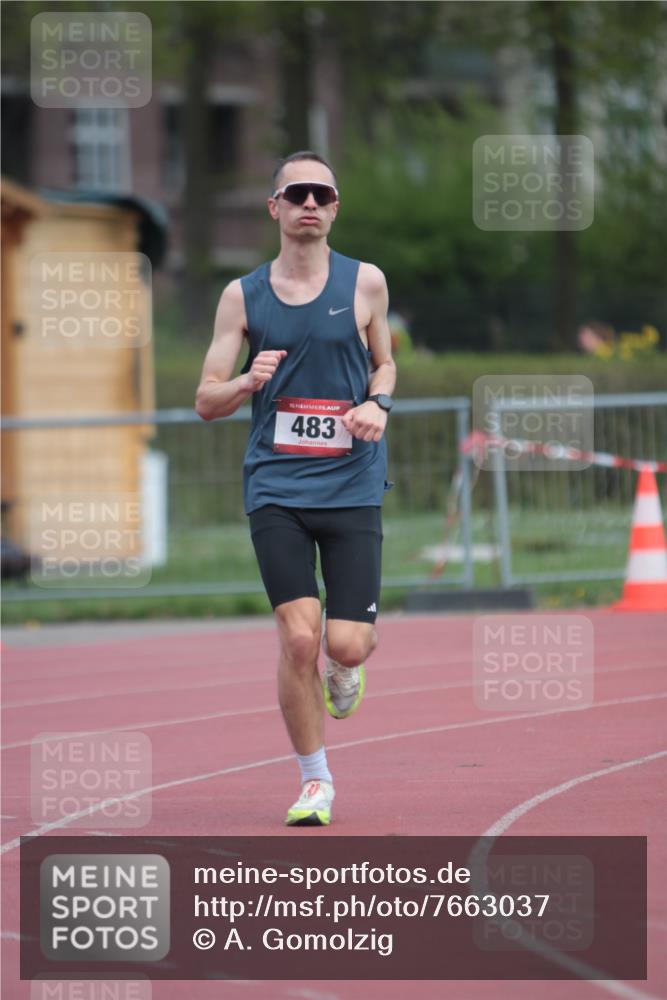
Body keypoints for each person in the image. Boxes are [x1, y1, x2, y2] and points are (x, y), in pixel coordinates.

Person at [195, 150, 396, 826]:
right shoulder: (240, 295)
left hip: (350, 483)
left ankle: (349, 668)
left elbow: (385, 363)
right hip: (276, 485)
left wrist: (378, 405)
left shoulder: (365, 282)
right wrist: (247, 382)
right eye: (296, 193)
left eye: (321, 193)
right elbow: (205, 399)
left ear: (334, 207)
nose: (309, 203)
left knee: (343, 646)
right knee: (298, 639)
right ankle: (315, 781)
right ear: (274, 208)